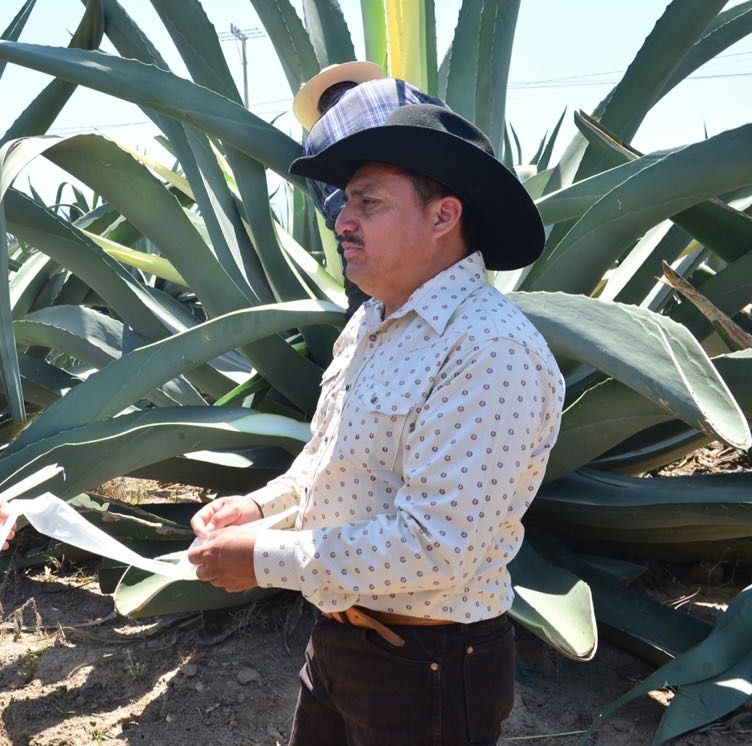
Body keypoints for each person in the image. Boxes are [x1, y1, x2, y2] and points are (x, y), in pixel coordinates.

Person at [187, 104, 564, 746]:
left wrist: (263, 559)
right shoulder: (371, 322)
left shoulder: (489, 350)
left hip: (430, 669)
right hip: (343, 637)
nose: (342, 220)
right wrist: (255, 508)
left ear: (444, 216)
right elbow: (328, 460)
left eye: (368, 202)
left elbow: (438, 544)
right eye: (344, 202)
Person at [295, 62, 448, 314]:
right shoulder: (395, 88)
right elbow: (449, 125)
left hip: (362, 250)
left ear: (320, 108)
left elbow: (334, 217)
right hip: (428, 229)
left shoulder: (316, 137)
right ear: (356, 83)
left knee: (365, 328)